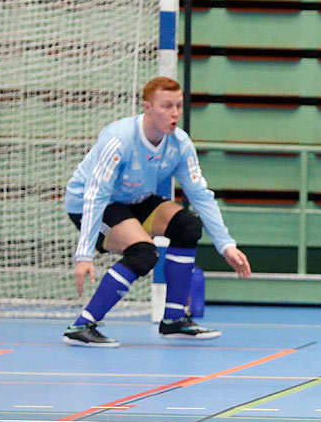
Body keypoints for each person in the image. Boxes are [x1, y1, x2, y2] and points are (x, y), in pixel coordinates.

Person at [63, 76, 252, 346]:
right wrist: (84, 254)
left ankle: (174, 319)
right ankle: (82, 325)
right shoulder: (119, 140)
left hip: (135, 199)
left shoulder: (180, 145)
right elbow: (96, 195)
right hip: (90, 204)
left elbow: (201, 195)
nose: (175, 113)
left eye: (178, 105)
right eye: (166, 106)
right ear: (148, 108)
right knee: (144, 252)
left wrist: (226, 245)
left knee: (187, 226)